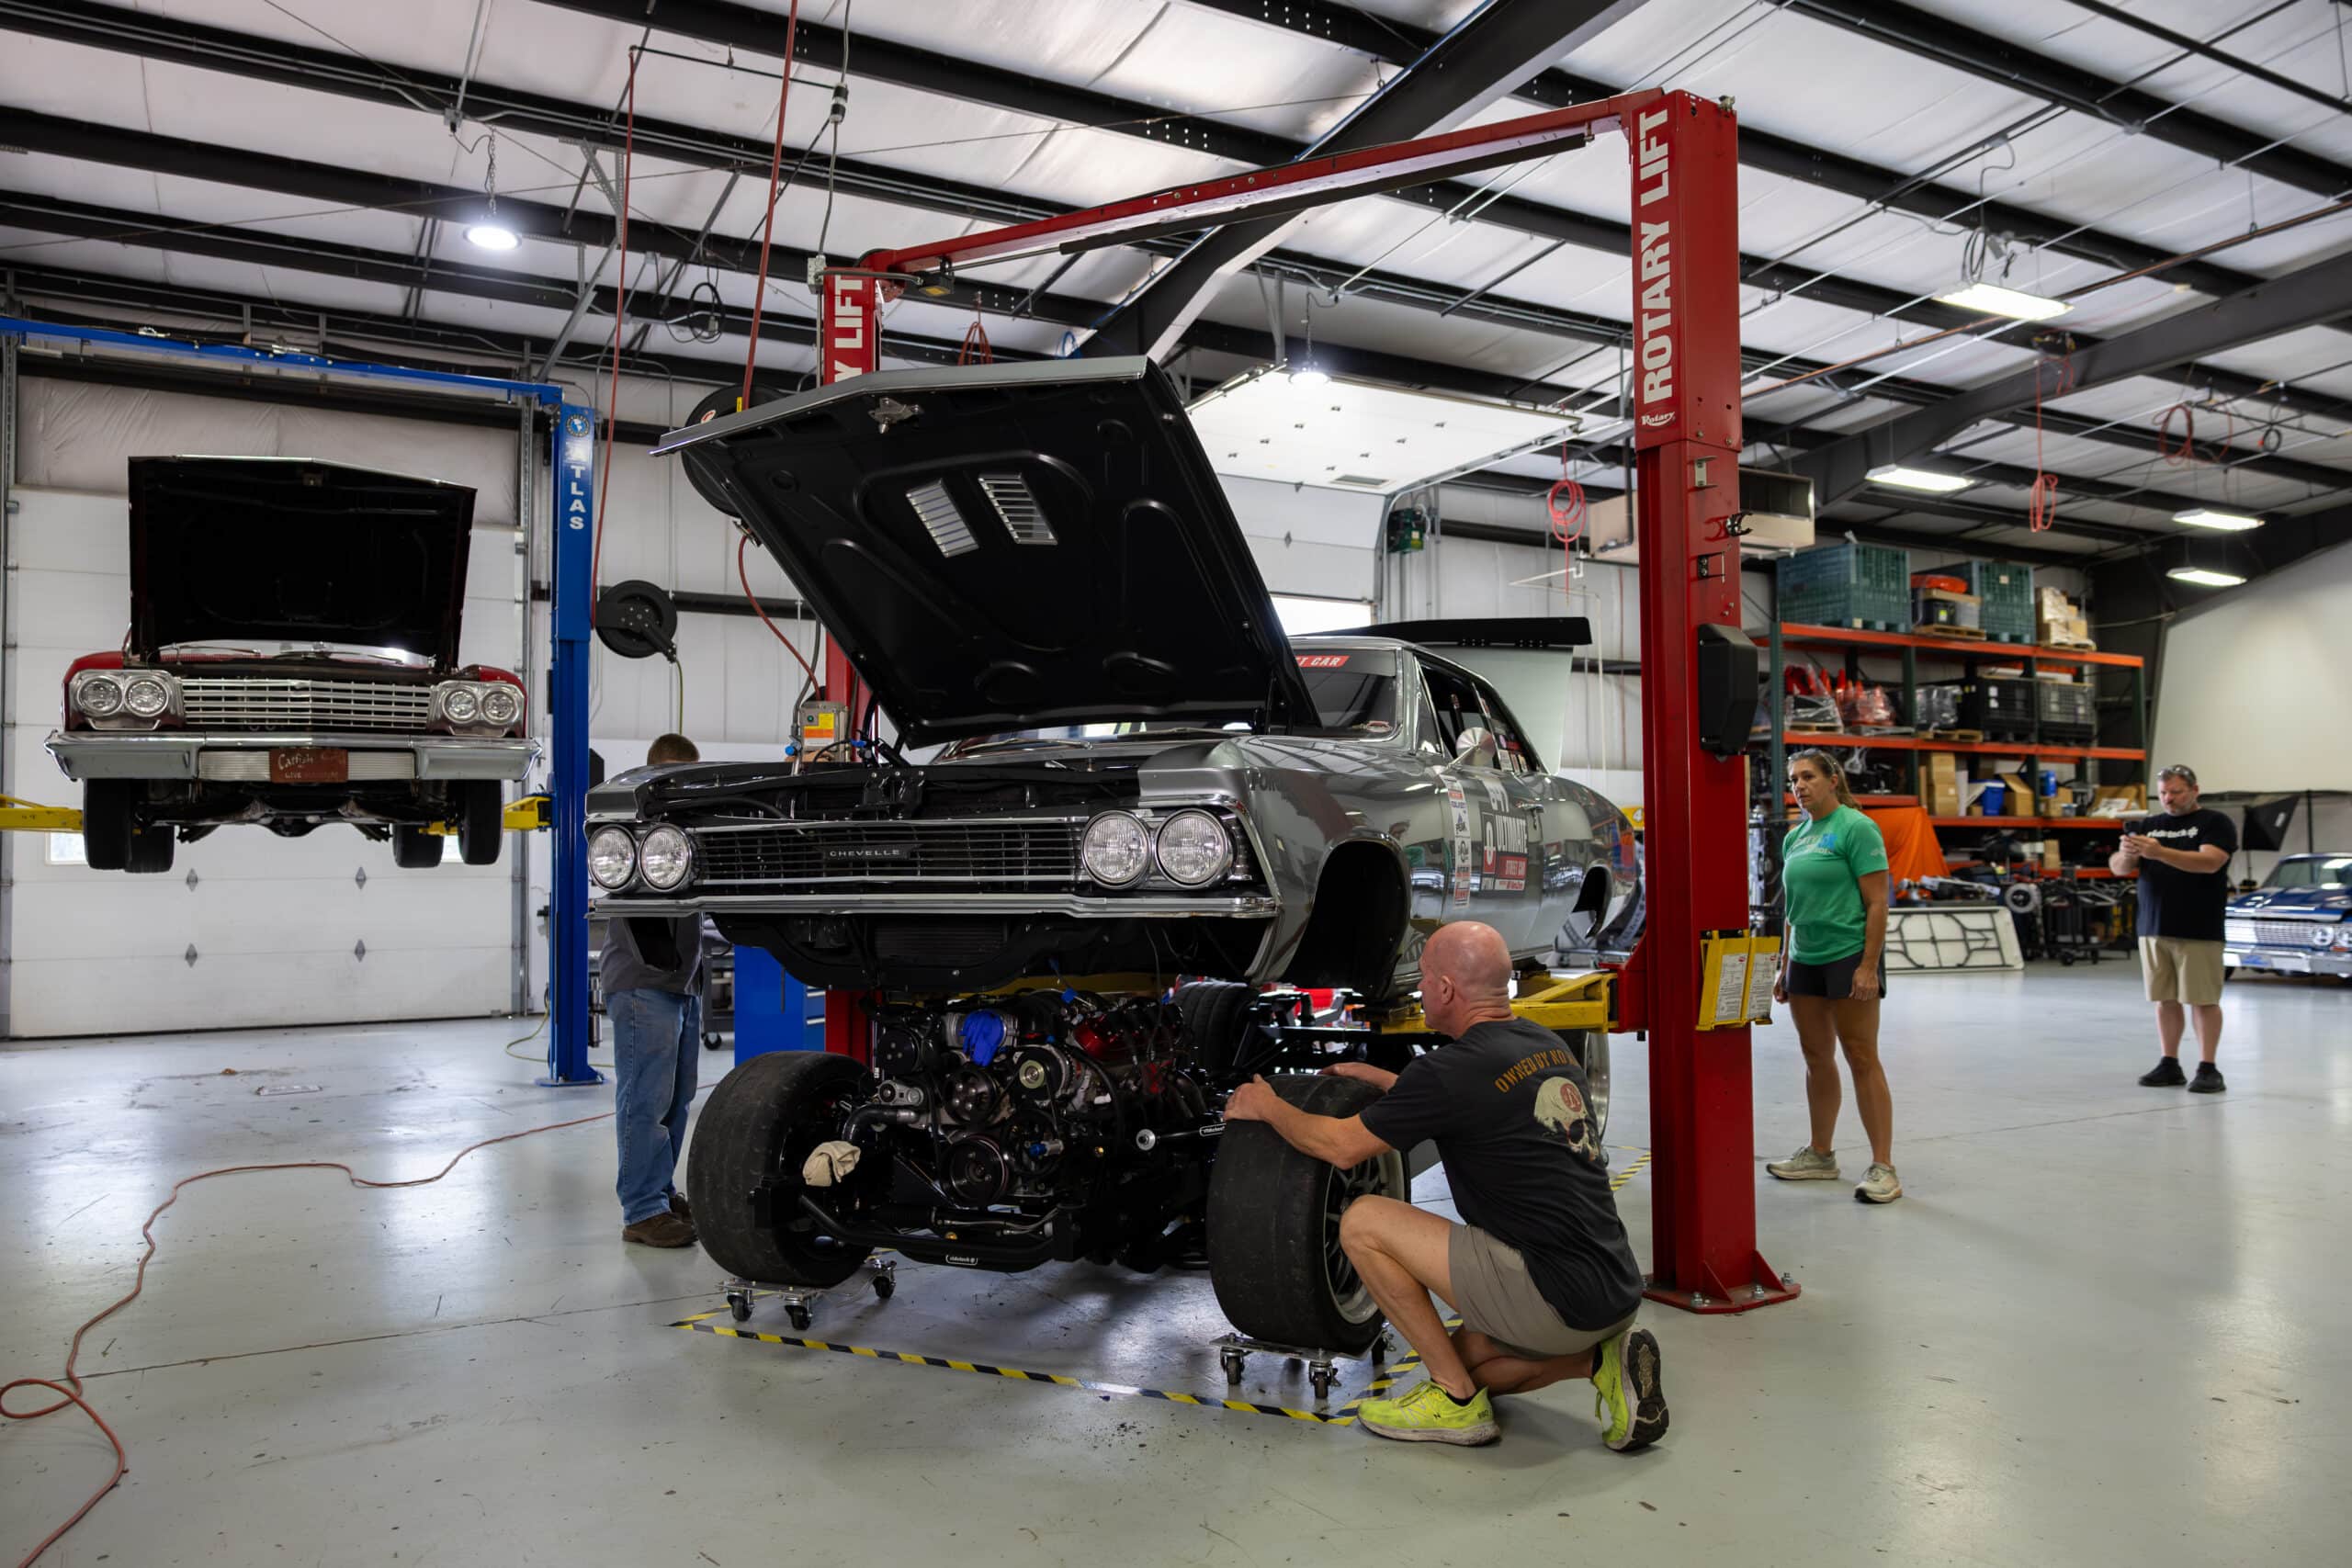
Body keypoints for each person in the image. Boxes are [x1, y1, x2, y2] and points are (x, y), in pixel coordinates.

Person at [1222, 920, 1662, 1450]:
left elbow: (1339, 1147)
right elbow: (1477, 1102)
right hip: (1612, 1285)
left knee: (1363, 1222)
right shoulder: (1543, 1044)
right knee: (1469, 1365)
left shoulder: (1450, 1071)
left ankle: (1453, 1402)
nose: (1420, 988)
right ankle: (1600, 1361)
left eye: (1425, 978)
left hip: (1551, 1295)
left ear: (1448, 989)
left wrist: (1268, 1106)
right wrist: (1391, 1084)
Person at [1766, 749, 1900, 1203]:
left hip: (1848, 954)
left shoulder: (1857, 828)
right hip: (1805, 957)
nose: (1799, 786)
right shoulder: (1796, 836)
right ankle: (1821, 1154)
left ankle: (1884, 1167)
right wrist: (1785, 965)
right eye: (1793, 780)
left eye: (1808, 777)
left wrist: (1868, 966)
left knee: (1861, 1056)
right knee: (1816, 1057)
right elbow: (1792, 908)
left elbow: (1877, 903)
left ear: (1832, 780)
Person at [606, 732, 707, 1247]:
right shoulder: (632, 832)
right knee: (645, 1099)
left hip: (681, 984)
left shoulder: (688, 833)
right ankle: (642, 1210)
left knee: (676, 1099)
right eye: (669, 778)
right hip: (643, 982)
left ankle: (660, 1192)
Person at [2109, 764, 2235, 1093]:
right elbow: (2119, 868)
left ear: (2194, 790)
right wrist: (2126, 854)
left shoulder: (2214, 822)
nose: (2169, 798)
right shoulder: (2149, 825)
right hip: (2154, 926)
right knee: (2164, 998)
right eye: (2163, 792)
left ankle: (2208, 1067)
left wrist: (2160, 852)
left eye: (2176, 792)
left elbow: (2210, 863)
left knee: (2203, 999)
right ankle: (2169, 1062)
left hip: (2198, 927)